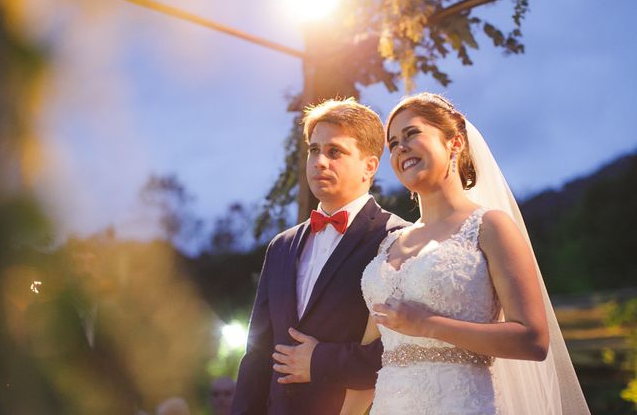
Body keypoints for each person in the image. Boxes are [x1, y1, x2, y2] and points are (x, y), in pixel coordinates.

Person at [361, 93, 590, 414]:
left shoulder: (490, 226)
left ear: (454, 143)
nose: (400, 148)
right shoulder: (389, 243)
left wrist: (428, 324)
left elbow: (533, 340)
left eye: (412, 134)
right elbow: (370, 341)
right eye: (393, 143)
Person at [231, 98, 408, 415]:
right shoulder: (281, 246)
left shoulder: (398, 239)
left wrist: (320, 360)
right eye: (314, 150)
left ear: (369, 165)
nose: (320, 161)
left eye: (335, 151)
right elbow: (257, 353)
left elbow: (406, 350)